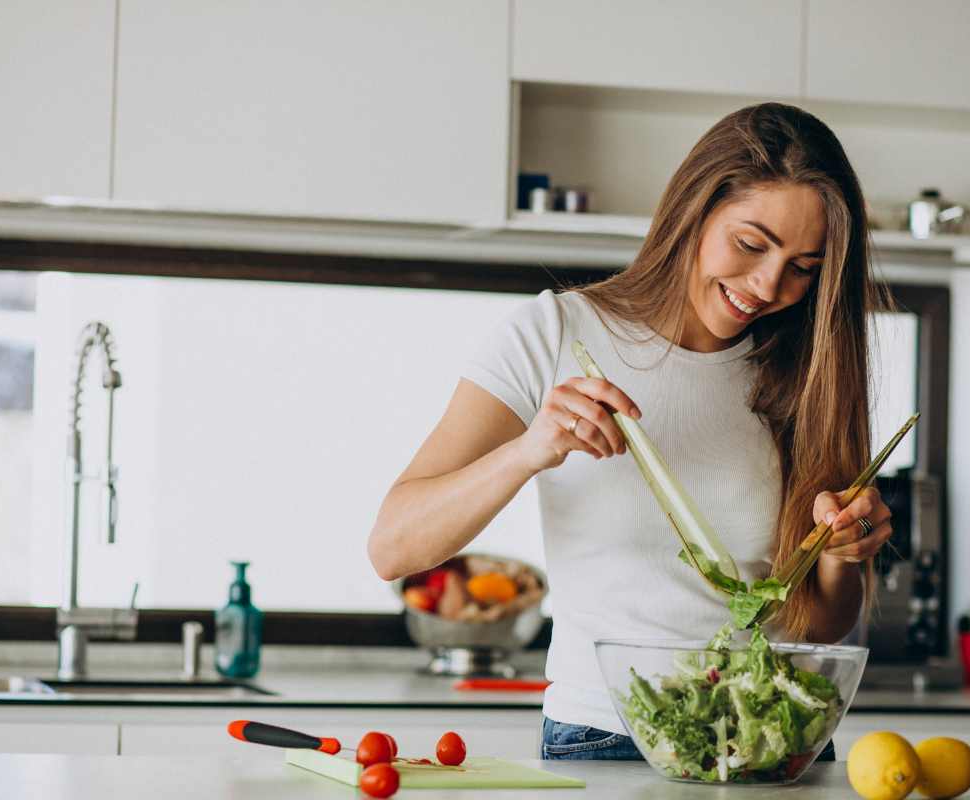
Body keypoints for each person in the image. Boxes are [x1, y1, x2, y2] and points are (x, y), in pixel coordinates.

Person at [367, 103, 893, 762]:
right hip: (607, 735)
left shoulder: (807, 372)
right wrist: (530, 450)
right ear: (693, 212)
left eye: (804, 267)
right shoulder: (554, 335)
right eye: (751, 244)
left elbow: (818, 621)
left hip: (777, 739)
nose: (767, 285)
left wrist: (844, 553)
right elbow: (394, 546)